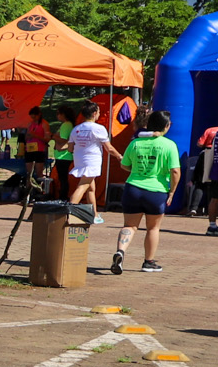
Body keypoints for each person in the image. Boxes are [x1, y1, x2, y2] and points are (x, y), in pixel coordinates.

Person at [111, 110, 181, 275]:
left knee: (129, 225)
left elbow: (124, 165)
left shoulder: (136, 142)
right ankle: (148, 262)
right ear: (166, 126)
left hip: (133, 188)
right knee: (153, 228)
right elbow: (175, 171)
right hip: (156, 191)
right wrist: (172, 191)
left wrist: (135, 170)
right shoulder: (169, 145)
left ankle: (120, 251)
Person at [67, 101, 111, 209]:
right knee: (83, 186)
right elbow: (109, 147)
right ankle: (69, 211)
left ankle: (94, 214)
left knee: (91, 188)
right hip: (92, 161)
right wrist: (119, 156)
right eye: (99, 112)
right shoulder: (99, 128)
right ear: (95, 113)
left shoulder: (76, 129)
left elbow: (70, 148)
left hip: (79, 159)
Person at [22, 106, 51, 196]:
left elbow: (47, 139)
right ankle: (27, 194)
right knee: (29, 173)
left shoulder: (44, 124)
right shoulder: (30, 124)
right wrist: (28, 136)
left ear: (39, 115)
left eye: (34, 117)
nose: (33, 119)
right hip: (30, 150)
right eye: (32, 117)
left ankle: (40, 192)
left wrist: (36, 136)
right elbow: (26, 137)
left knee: (39, 172)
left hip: (39, 150)